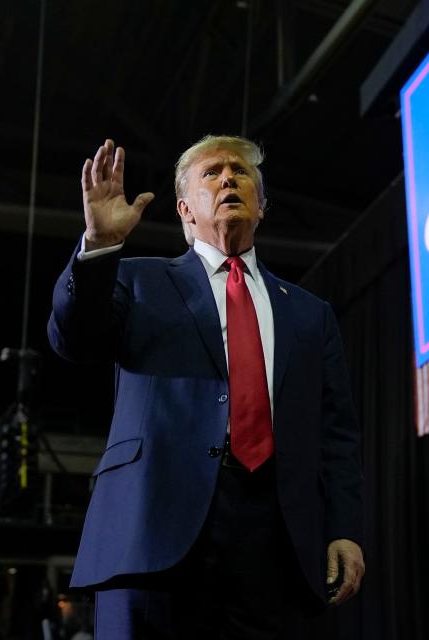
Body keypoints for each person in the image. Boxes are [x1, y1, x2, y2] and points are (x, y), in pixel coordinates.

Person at [48, 136, 365, 638]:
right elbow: (73, 339)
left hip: (276, 548)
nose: (227, 180)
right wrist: (100, 247)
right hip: (154, 536)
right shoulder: (137, 280)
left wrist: (344, 528)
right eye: (212, 173)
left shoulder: (310, 314)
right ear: (184, 210)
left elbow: (337, 434)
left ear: (261, 206)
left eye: (240, 174)